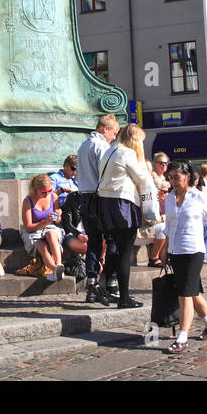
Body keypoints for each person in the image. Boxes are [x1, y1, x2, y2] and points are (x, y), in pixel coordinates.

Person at [162, 160, 207, 353]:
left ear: (187, 177)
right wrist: (164, 250)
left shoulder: (198, 196)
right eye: (170, 178)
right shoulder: (169, 198)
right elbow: (169, 226)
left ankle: (182, 337)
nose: (173, 181)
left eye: (176, 177)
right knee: (191, 291)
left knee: (184, 294)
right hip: (176, 249)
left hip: (194, 249)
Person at [95, 123, 157, 309]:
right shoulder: (127, 153)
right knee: (125, 252)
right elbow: (143, 179)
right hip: (122, 203)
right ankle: (124, 297)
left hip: (106, 203)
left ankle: (102, 284)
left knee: (116, 248)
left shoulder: (110, 151)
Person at [76, 114, 120, 304]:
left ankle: (92, 283)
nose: (114, 138)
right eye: (114, 133)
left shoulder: (83, 145)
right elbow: (106, 174)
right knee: (112, 239)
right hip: (100, 196)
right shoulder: (101, 146)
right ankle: (110, 281)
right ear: (105, 129)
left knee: (93, 241)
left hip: (85, 196)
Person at [19, 173, 65, 281]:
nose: (47, 194)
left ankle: (59, 265)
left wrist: (58, 216)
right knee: (42, 247)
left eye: (49, 190)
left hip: (50, 228)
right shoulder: (28, 201)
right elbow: (28, 227)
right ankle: (55, 269)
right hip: (33, 231)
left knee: (52, 235)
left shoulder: (53, 196)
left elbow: (58, 221)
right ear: (35, 190)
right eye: (44, 192)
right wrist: (44, 222)